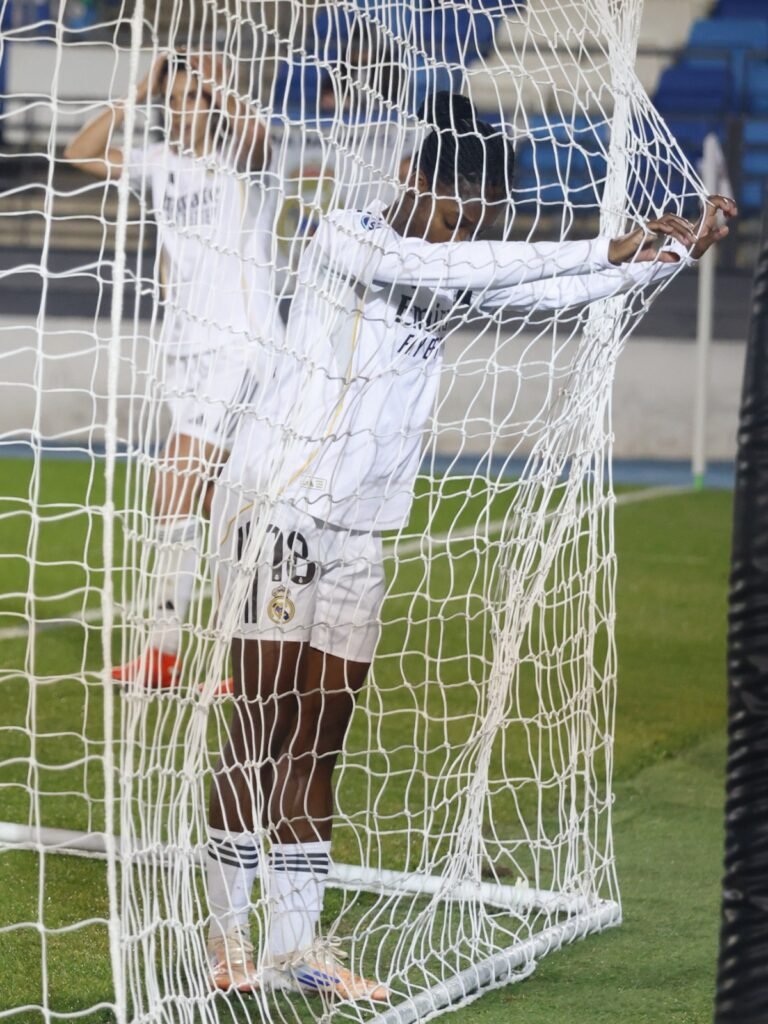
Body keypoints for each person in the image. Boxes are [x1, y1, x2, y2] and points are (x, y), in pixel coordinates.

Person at [203, 92, 736, 997]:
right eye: (455, 207)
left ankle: (295, 948)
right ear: (411, 176)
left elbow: (547, 283)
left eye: (478, 215)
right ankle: (222, 940)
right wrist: (602, 243)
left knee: (319, 739)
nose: (462, 229)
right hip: (282, 512)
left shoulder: (453, 257)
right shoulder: (344, 235)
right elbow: (463, 261)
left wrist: (666, 252)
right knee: (258, 723)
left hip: (362, 530)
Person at [64, 51, 283, 691]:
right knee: (219, 502)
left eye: (199, 99)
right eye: (180, 99)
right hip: (187, 350)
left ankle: (162, 650)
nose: (188, 110)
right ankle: (239, 657)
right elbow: (80, 153)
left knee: (175, 475)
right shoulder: (159, 165)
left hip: (242, 348)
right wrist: (139, 90)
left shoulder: (244, 167)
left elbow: (260, 140)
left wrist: (219, 83)